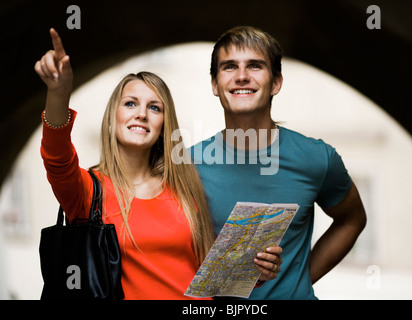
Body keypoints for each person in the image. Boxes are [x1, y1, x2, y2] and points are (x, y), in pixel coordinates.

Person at [35, 28, 282, 299]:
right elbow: (56, 156)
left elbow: (211, 277)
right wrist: (58, 93)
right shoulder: (89, 192)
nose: (141, 114)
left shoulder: (185, 186)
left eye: (154, 108)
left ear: (164, 125)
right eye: (130, 104)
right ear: (112, 118)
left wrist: (254, 269)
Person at [191, 26, 367, 299]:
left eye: (255, 66)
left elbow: (351, 220)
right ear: (215, 85)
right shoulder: (187, 165)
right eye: (229, 67)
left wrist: (300, 279)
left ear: (276, 82)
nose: (241, 77)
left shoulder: (317, 158)